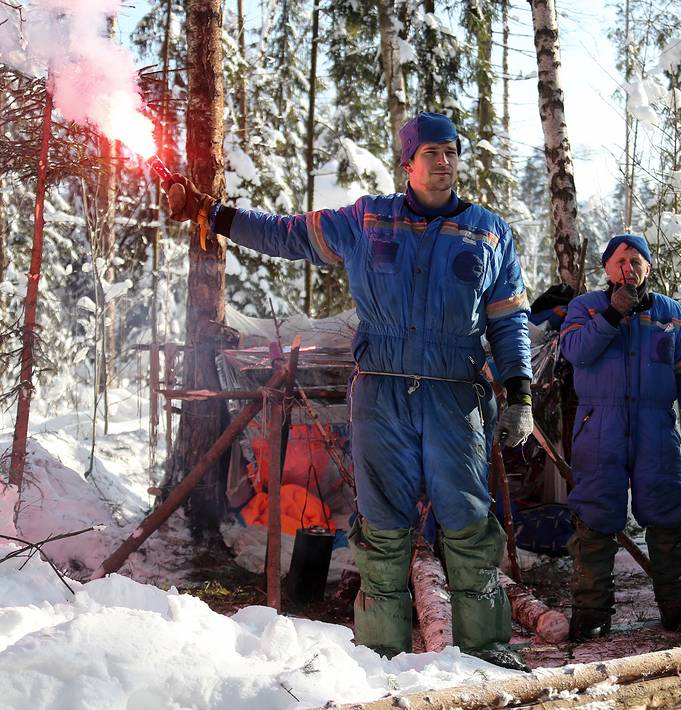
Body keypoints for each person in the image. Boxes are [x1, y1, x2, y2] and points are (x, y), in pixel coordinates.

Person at [163, 111, 534, 670]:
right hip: (381, 394)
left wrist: (520, 391)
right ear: (407, 163)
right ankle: (381, 661)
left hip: (455, 396)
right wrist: (215, 215)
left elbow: (509, 320)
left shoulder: (489, 231)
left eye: (452, 152)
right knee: (383, 529)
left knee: (469, 526)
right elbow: (285, 233)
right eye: (432, 153)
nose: (445, 162)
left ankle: (488, 657)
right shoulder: (368, 221)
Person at [559, 234, 681, 640]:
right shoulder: (585, 306)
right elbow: (575, 352)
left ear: (649, 268)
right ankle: (591, 613)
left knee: (668, 511)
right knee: (595, 513)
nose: (630, 266)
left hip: (656, 426)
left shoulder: (673, 313)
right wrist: (610, 316)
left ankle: (679, 607)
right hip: (599, 424)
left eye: (638, 259)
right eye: (621, 259)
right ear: (608, 268)